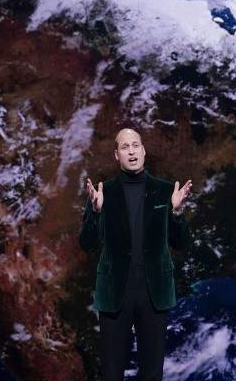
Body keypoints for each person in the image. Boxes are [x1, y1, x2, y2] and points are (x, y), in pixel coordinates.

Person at [79, 128, 193, 381]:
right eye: (124, 147)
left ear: (143, 150)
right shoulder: (102, 193)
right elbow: (87, 244)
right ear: (116, 155)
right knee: (110, 372)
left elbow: (182, 243)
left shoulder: (165, 191)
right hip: (115, 290)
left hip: (154, 291)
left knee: (152, 372)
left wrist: (176, 213)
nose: (131, 151)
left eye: (135, 145)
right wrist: (96, 212)